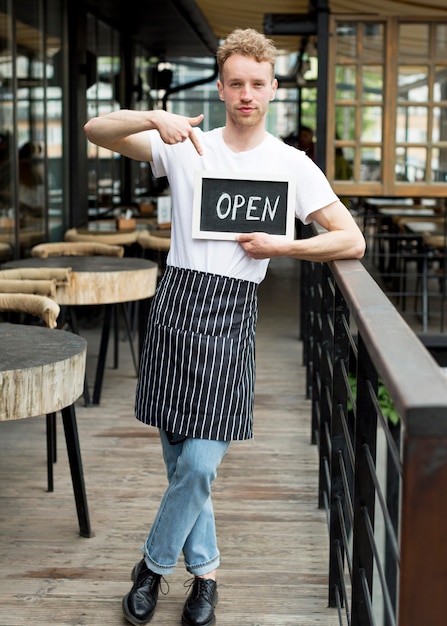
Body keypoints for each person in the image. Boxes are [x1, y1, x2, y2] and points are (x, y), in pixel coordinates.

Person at [84, 28, 365, 626]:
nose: (246, 94)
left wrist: (283, 246)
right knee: (179, 461)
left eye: (257, 84)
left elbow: (351, 239)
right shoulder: (187, 143)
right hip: (176, 305)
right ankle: (205, 575)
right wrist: (155, 116)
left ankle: (152, 569)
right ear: (220, 86)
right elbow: (96, 131)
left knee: (202, 464)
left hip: (233, 313)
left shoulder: (291, 164)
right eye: (235, 83)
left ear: (273, 89)